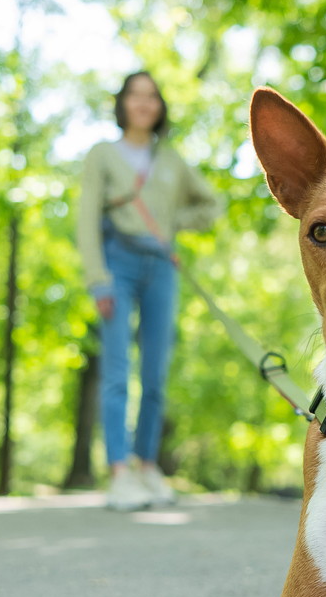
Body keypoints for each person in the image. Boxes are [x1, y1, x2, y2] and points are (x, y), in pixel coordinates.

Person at [76, 71, 222, 510]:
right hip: (116, 262)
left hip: (161, 265)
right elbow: (85, 219)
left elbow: (212, 204)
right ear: (122, 104)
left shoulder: (172, 159)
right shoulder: (102, 154)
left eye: (151, 96)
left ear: (159, 106)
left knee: (155, 374)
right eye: (135, 95)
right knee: (117, 370)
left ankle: (147, 467)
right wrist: (97, 277)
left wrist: (172, 224)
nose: (143, 103)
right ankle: (119, 473)